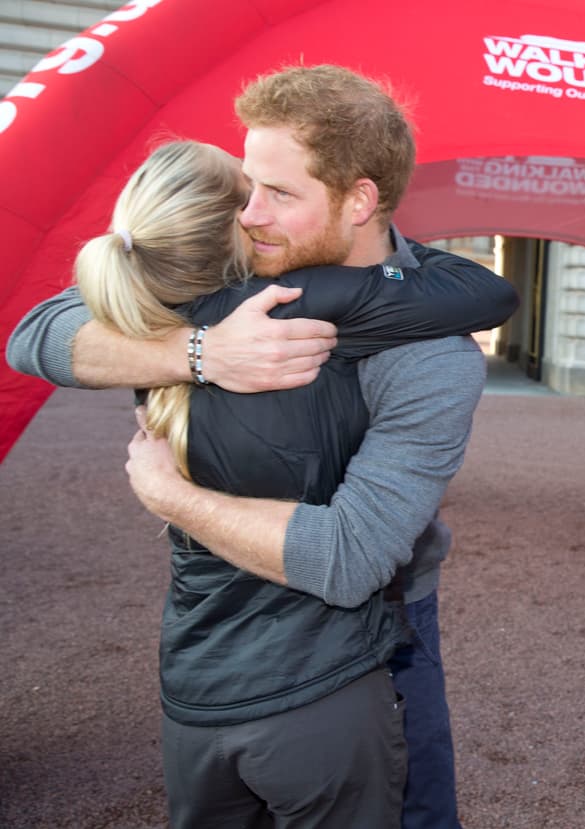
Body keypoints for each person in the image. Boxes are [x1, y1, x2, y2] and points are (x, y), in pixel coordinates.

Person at [7, 65, 515, 829]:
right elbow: (37, 334)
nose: (248, 212)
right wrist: (200, 352)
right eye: (249, 183)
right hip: (218, 638)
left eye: (279, 192)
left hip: (382, 642)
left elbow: (350, 557)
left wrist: (171, 496)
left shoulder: (431, 353)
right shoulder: (236, 264)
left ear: (360, 199)